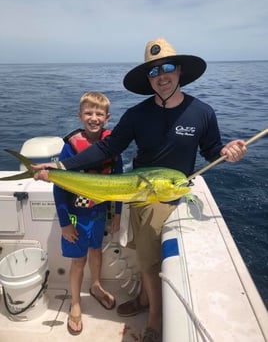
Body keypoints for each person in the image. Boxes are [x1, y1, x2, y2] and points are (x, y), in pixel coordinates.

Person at [33, 38, 247, 342]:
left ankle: (155, 320)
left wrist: (227, 150)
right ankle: (147, 300)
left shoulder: (202, 112)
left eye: (168, 67)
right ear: (148, 78)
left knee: (147, 259)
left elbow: (212, 150)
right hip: (141, 194)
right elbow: (108, 147)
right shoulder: (136, 114)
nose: (162, 75)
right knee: (145, 254)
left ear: (180, 71)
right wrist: (63, 168)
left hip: (173, 193)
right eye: (154, 70)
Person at [54, 91, 122, 335]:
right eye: (89, 113)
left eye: (99, 113)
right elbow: (59, 186)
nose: (94, 118)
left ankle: (95, 286)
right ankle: (74, 303)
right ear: (80, 115)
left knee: (96, 251)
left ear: (107, 118)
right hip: (75, 215)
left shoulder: (113, 146)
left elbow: (119, 184)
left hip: (98, 213)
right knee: (78, 260)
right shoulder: (69, 148)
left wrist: (117, 215)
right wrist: (65, 223)